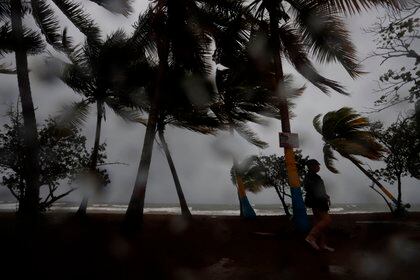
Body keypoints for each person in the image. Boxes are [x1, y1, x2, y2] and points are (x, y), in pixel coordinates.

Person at [303, 159, 334, 252]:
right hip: (318, 203)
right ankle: (311, 237)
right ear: (312, 166)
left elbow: (317, 190)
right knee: (327, 221)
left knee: (319, 223)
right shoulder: (312, 177)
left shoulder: (312, 176)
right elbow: (315, 190)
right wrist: (323, 196)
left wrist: (325, 195)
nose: (319, 167)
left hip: (316, 202)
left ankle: (322, 244)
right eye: (317, 165)